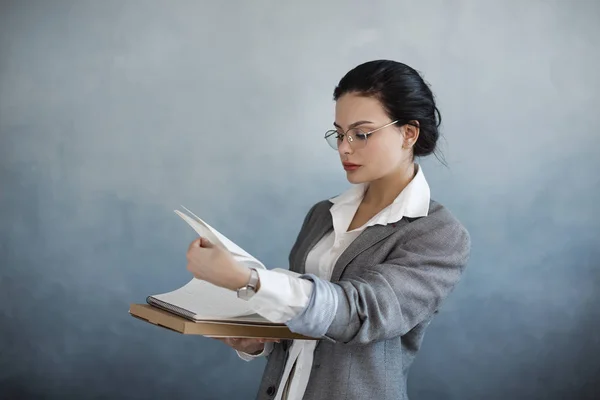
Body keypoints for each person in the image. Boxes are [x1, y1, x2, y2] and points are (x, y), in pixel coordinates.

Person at [185, 60, 471, 400]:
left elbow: (360, 313)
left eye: (361, 134)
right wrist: (257, 342)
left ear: (408, 133)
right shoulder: (323, 214)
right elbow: (304, 321)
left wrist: (249, 280)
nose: (344, 147)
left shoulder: (438, 234)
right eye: (339, 132)